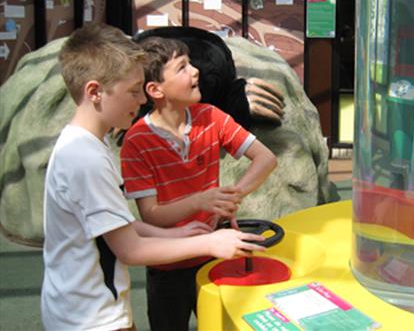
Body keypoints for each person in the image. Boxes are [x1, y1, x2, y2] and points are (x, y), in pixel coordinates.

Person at [41, 23, 267, 331]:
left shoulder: (88, 145)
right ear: (94, 92)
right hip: (90, 318)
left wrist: (177, 234)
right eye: (133, 91)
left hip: (90, 307)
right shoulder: (85, 159)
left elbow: (113, 225)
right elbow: (130, 249)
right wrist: (210, 244)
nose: (139, 100)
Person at [120, 36, 277, 331]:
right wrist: (200, 201)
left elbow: (265, 159)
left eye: (191, 63)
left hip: (216, 256)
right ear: (155, 90)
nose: (195, 72)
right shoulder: (137, 141)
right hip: (168, 265)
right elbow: (151, 215)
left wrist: (231, 197)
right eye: (182, 68)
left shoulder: (212, 116)